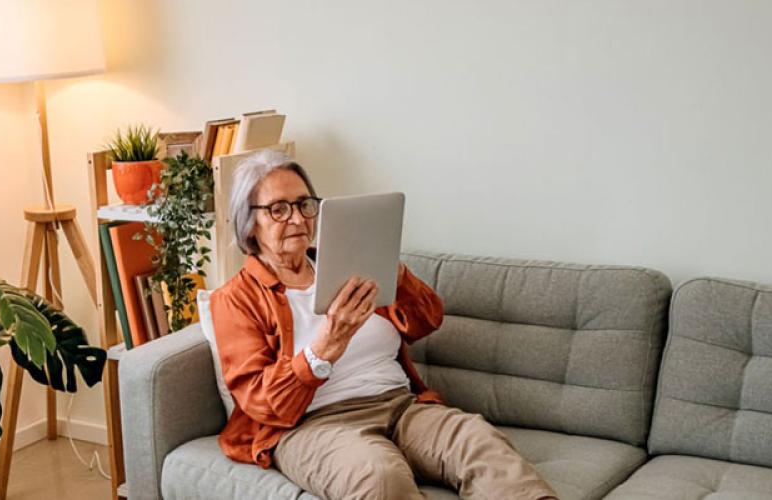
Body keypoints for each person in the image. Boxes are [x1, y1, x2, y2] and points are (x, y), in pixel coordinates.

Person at [208, 149, 558, 500]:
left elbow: (427, 321)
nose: (298, 219)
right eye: (278, 209)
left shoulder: (348, 264)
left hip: (400, 405)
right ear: (249, 222)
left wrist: (398, 276)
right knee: (378, 476)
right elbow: (260, 402)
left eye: (304, 204)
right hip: (313, 425)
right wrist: (324, 347)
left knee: (478, 441)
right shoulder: (235, 299)